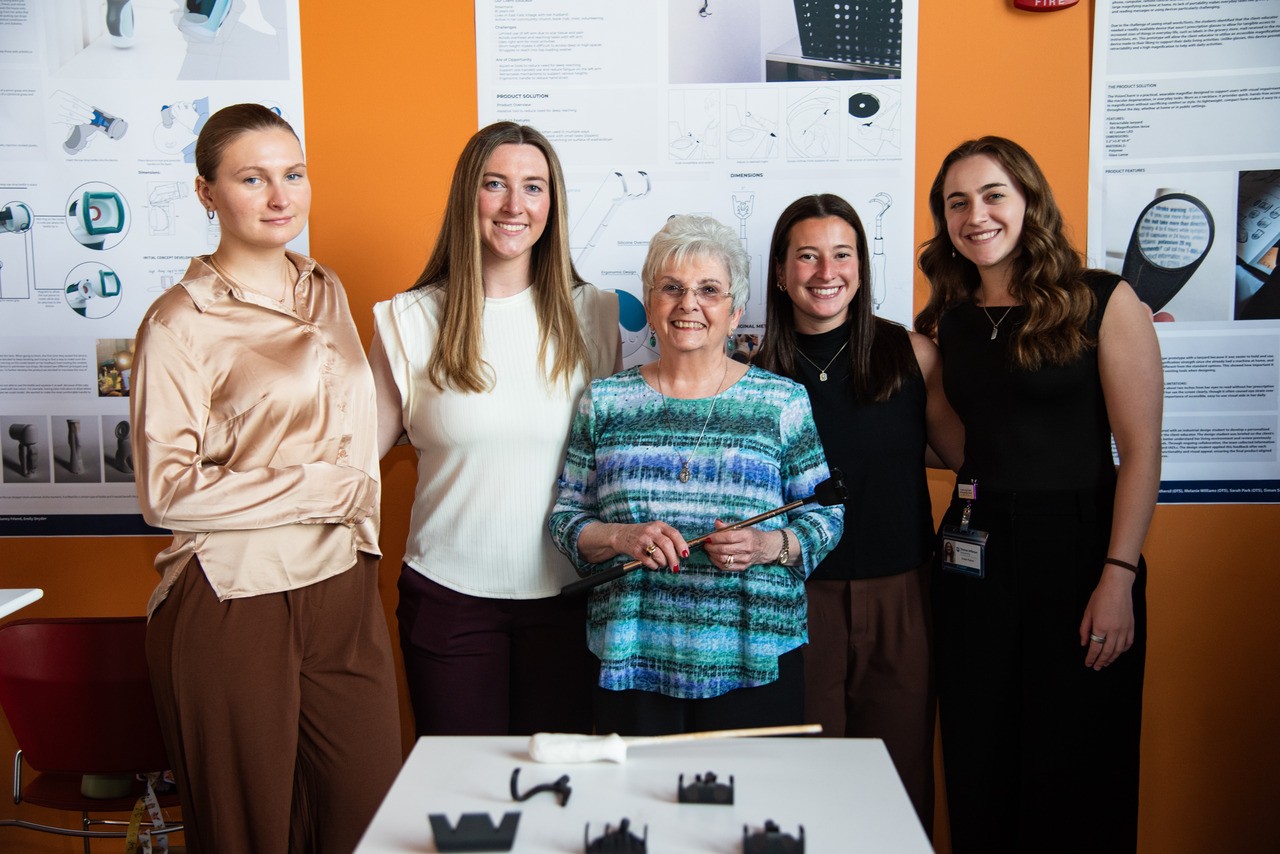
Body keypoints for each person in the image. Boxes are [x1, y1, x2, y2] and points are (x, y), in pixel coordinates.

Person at [131, 103, 401, 854]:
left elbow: (346, 422)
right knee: (249, 836)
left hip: (344, 582)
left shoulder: (324, 288)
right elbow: (164, 491)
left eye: (294, 174)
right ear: (206, 193)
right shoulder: (177, 322)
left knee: (370, 823)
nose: (281, 197)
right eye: (253, 179)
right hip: (235, 595)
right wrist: (313, 488)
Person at [914, 136, 1162, 853]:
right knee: (980, 760)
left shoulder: (1102, 299)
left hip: (1082, 553)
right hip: (974, 555)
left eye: (994, 195)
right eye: (957, 203)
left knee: (1078, 765)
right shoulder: (949, 323)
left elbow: (1141, 452)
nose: (976, 215)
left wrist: (1118, 575)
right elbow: (964, 449)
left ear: (1029, 201)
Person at [549, 214, 844, 735]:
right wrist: (620, 537)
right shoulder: (605, 401)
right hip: (632, 660)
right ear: (650, 304)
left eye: (709, 290)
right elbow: (567, 518)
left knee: (751, 792)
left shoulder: (781, 402)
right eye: (672, 288)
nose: (689, 303)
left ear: (735, 312)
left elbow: (826, 516)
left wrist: (766, 545)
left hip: (756, 660)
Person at [370, 121, 620, 736]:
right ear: (467, 196)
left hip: (570, 598)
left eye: (533, 187)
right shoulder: (407, 319)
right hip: (448, 601)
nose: (515, 206)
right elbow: (351, 467)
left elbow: (615, 463)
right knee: (462, 785)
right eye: (494, 184)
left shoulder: (597, 313)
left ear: (552, 204)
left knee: (556, 786)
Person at [754, 193, 963, 831]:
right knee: (803, 783)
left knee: (896, 779)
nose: (827, 272)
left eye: (842, 254)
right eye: (807, 256)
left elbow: (964, 456)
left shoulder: (913, 354)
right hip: (795, 594)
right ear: (780, 272)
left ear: (862, 267)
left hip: (901, 592)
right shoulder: (753, 371)